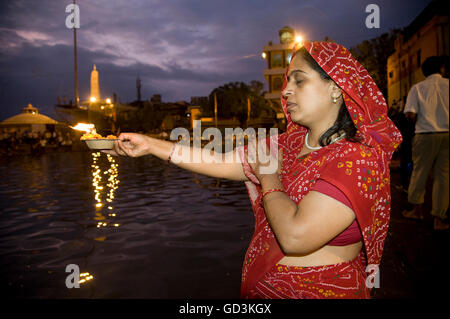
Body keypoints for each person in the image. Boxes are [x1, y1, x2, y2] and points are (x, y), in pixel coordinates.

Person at [104, 41, 402, 299]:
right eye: (287, 81)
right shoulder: (287, 144)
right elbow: (220, 161)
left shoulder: (358, 159)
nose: (285, 91)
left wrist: (269, 176)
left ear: (336, 88)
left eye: (299, 81)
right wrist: (151, 146)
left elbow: (295, 236)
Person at [401, 56, 449, 231]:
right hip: (447, 135)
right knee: (443, 177)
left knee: (420, 171)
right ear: (442, 69)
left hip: (425, 133)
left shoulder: (418, 88)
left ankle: (417, 210)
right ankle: (439, 218)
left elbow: (410, 114)